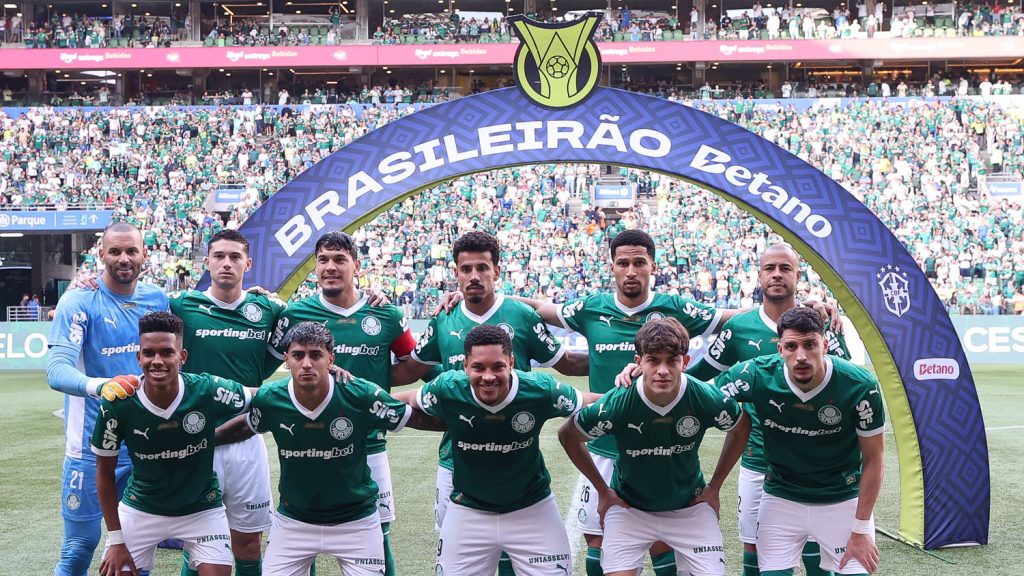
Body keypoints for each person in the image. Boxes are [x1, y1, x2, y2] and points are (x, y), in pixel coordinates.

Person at [392, 230, 588, 576]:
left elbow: (568, 365)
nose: (474, 276)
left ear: (496, 271)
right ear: (455, 273)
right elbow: (410, 371)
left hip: (516, 456)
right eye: (466, 269)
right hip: (456, 462)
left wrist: (631, 367)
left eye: (482, 268)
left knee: (518, 554)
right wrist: (347, 381)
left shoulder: (520, 315)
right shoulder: (444, 318)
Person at [218, 321, 444, 574]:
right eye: (298, 355)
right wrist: (204, 440)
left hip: (356, 522)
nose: (306, 363)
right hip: (294, 521)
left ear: (331, 359)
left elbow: (417, 419)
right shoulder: (271, 398)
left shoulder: (359, 394)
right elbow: (244, 426)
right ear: (286, 359)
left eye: (316, 355)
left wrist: (466, 425)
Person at [688, 244, 849, 576]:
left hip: (814, 465)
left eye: (785, 268)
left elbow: (846, 382)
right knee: (754, 547)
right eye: (770, 268)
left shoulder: (821, 324)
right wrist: (645, 378)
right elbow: (697, 379)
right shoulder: (738, 328)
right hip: (758, 460)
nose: (777, 275)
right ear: (759, 275)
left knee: (816, 548)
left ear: (797, 276)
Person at [269, 231, 415, 575]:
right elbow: (263, 362)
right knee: (302, 537)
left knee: (378, 535)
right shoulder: (296, 314)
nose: (330, 267)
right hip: (306, 444)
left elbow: (414, 363)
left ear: (356, 266)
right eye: (323, 260)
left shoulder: (385, 314)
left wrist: (374, 386)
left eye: (339, 259)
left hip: (369, 444)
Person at [560, 317, 751, 575]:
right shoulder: (618, 402)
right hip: (629, 509)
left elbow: (741, 427)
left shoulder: (705, 397)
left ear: (685, 362)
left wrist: (715, 486)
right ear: (639, 362)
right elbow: (568, 435)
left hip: (690, 507)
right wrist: (603, 490)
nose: (663, 370)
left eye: (671, 360)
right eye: (653, 360)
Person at [716, 307, 885, 575]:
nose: (801, 356)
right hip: (781, 500)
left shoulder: (860, 386)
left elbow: (874, 459)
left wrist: (861, 529)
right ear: (780, 349)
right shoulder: (755, 374)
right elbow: (697, 398)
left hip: (842, 500)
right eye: (791, 346)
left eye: (810, 345)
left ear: (825, 345)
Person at [415, 325, 593, 575]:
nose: (488, 376)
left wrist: (636, 388)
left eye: (497, 366)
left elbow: (595, 402)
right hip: (468, 511)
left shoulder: (541, 390)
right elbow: (401, 402)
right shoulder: (447, 388)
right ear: (465, 365)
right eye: (478, 367)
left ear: (511, 362)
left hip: (533, 510)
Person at [47, 222, 169, 576]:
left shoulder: (157, 299)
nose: (123, 259)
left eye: (131, 251)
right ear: (100, 254)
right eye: (114, 251)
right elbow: (56, 370)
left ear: (145, 254)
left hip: (142, 447)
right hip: (89, 446)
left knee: (135, 553)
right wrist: (101, 386)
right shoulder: (78, 300)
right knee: (78, 548)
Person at [91, 312, 253, 576]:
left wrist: (316, 383)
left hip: (201, 508)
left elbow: (259, 397)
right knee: (115, 571)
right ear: (139, 357)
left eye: (167, 352)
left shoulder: (206, 390)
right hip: (141, 507)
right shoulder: (118, 403)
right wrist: (117, 540)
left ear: (182, 356)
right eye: (149, 353)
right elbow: (104, 473)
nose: (157, 361)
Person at [170, 229, 287, 576]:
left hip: (246, 439)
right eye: (219, 256)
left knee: (249, 543)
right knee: (197, 543)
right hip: (195, 440)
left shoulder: (268, 309)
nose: (226, 263)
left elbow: (314, 332)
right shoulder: (181, 305)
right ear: (207, 262)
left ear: (248, 264)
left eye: (235, 257)